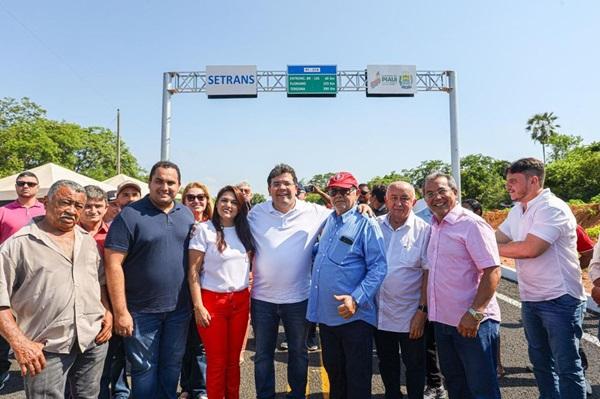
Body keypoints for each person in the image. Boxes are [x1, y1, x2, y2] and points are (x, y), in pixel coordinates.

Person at [0, 180, 112, 398]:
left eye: (78, 206)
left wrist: (107, 311)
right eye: (65, 203)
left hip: (92, 340)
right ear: (45, 202)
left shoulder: (86, 241)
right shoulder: (18, 244)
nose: (72, 210)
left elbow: (98, 282)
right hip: (44, 348)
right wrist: (20, 343)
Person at [496, 157, 586, 398]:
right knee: (541, 364)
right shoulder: (517, 210)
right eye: (508, 181)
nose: (508, 186)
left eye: (514, 181)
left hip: (560, 299)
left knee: (567, 368)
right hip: (531, 298)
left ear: (534, 180)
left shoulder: (552, 208)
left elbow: (531, 249)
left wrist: (486, 250)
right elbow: (497, 237)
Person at [104, 161, 195, 399]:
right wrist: (121, 311)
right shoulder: (130, 215)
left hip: (179, 310)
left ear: (179, 186)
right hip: (141, 311)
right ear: (149, 182)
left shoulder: (186, 215)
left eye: (170, 182)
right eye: (159, 181)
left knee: (172, 365)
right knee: (144, 370)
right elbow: (113, 264)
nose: (164, 187)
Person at [307, 171, 387, 399]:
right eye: (335, 191)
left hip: (354, 318)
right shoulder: (329, 220)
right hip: (327, 317)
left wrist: (357, 298)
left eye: (345, 190)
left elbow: (379, 266)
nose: (339, 195)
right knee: (336, 376)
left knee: (357, 379)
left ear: (356, 193)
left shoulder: (365, 222)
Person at [424, 172, 502, 399]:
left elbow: (492, 271)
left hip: (472, 322)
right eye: (429, 194)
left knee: (482, 389)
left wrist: (475, 313)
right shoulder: (434, 226)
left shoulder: (471, 224)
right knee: (457, 386)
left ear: (455, 193)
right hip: (443, 322)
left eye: (441, 191)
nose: (436, 197)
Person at [189, 185, 254, 399]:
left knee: (234, 361)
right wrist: (198, 305)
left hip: (241, 300)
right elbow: (193, 272)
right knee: (217, 362)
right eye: (224, 200)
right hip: (212, 302)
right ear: (216, 203)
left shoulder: (246, 230)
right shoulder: (204, 230)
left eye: (234, 202)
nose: (228, 205)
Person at [375, 181, 431, 399]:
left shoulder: (425, 231)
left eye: (404, 198)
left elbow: (428, 273)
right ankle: (392, 394)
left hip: (411, 314)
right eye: (394, 198)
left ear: (414, 202)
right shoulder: (374, 226)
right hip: (379, 312)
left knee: (415, 364)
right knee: (386, 361)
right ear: (386, 200)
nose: (398, 203)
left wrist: (422, 311)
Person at [78, 186, 130, 399]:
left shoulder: (114, 233)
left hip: (111, 300)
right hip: (79, 303)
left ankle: (117, 393)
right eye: (87, 206)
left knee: (114, 356)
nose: (93, 210)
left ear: (106, 207)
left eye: (98, 206)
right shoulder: (69, 233)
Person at [0, 171, 46, 390]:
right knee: (4, 321)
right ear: (16, 186)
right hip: (8, 274)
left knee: (32, 323)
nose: (25, 186)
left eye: (30, 183)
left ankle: (38, 370)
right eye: (21, 183)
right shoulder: (3, 211)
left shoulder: (46, 211)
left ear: (38, 187)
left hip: (36, 274)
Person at [461, 198, 505, 381]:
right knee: (461, 379)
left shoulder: (477, 227)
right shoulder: (441, 227)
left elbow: (493, 271)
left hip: (476, 316)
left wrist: (476, 312)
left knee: (482, 381)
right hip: (452, 318)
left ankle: (497, 365)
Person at [180, 182, 212, 399]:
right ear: (183, 201)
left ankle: (200, 389)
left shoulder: (213, 226)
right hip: (179, 292)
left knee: (200, 345)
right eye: (191, 197)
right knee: (182, 344)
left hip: (205, 292)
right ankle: (186, 386)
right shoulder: (176, 224)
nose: (196, 201)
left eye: (201, 197)